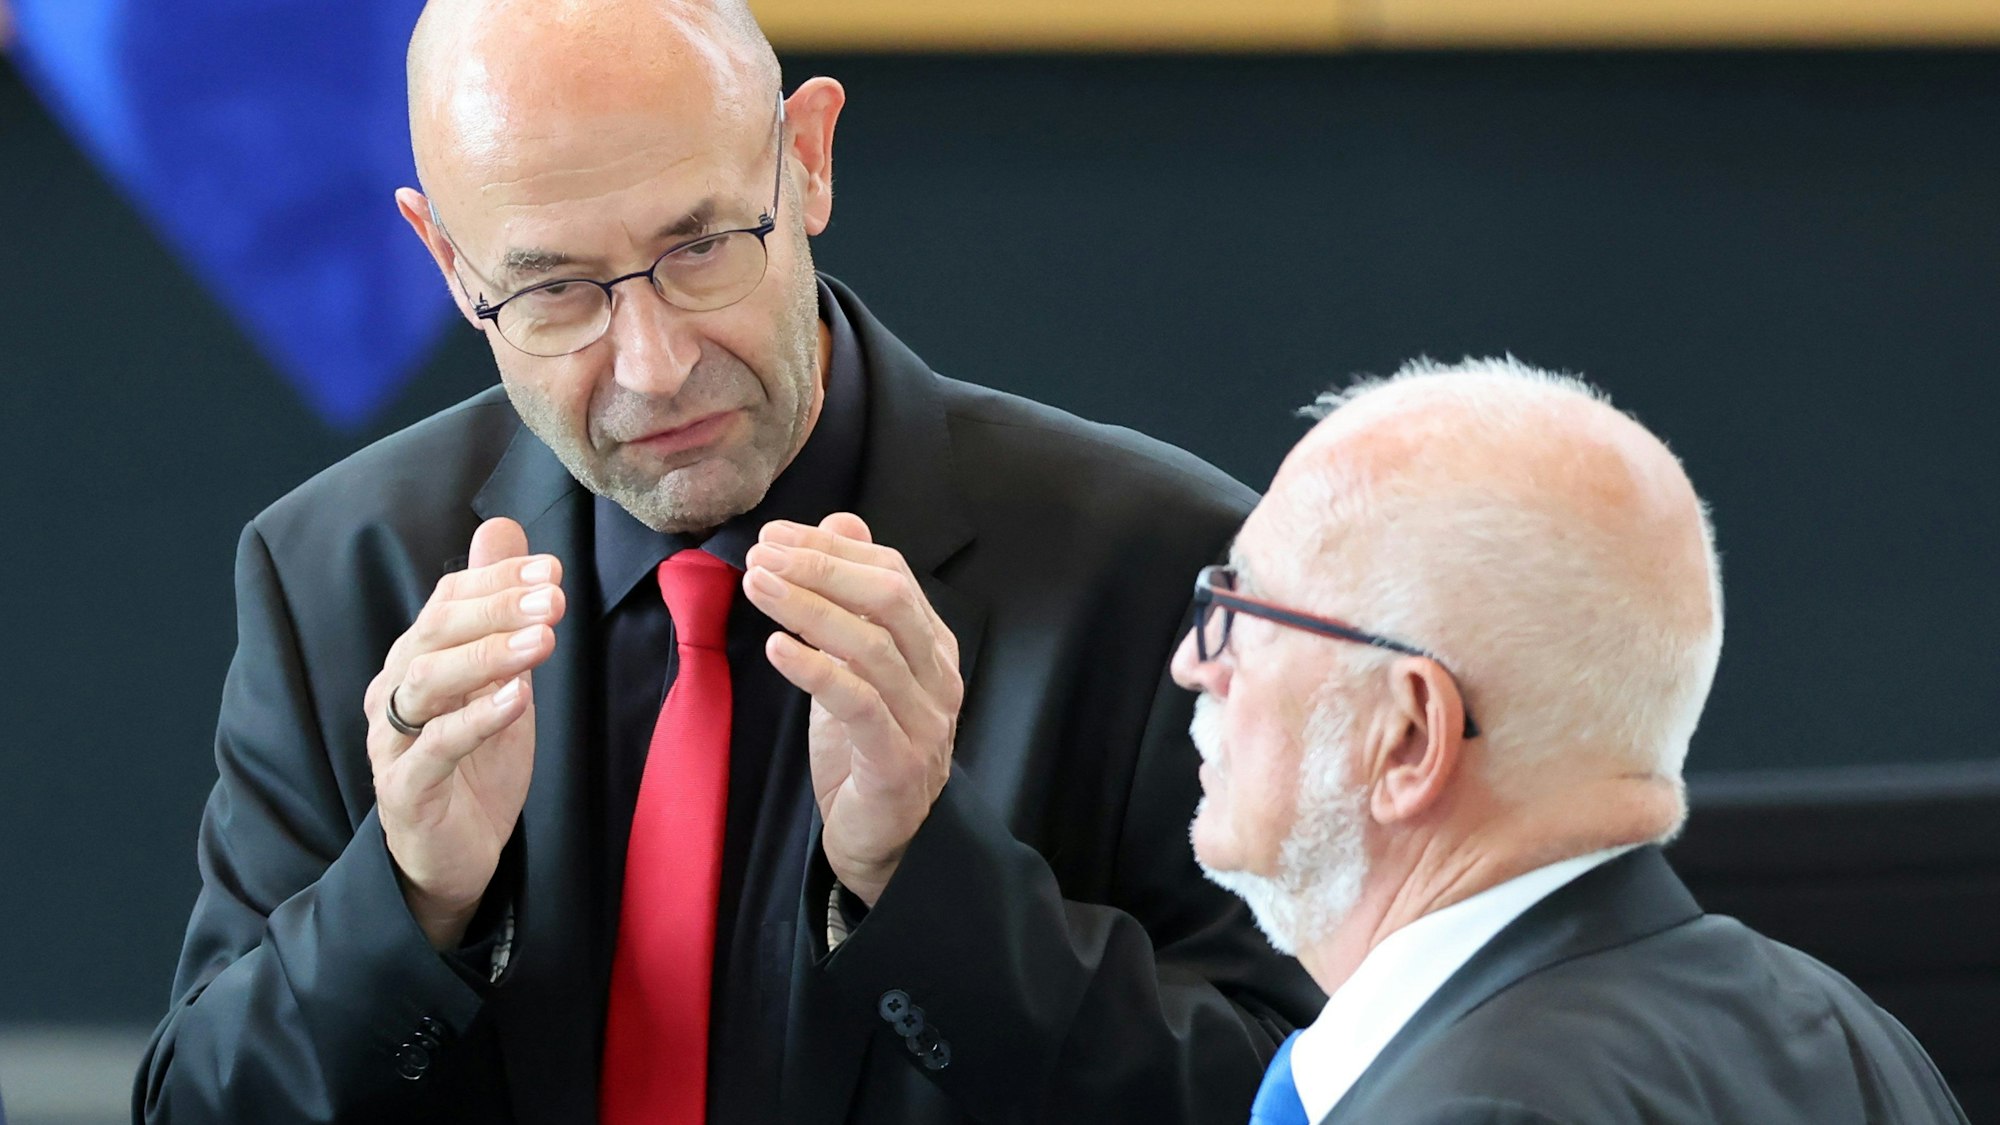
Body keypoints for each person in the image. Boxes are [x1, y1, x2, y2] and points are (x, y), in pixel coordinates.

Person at [134, 0, 1321, 1121]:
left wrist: (924, 885)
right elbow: (197, 1104)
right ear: (449, 264)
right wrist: (407, 902)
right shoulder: (333, 574)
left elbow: (1305, 1093)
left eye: (699, 247)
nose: (651, 368)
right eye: (552, 291)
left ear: (804, 158)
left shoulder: (1168, 564)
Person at [1174, 357, 1969, 1125]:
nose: (1194, 663)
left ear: (1410, 736)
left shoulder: (1469, 1108)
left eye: (1243, 610)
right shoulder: (1855, 1039)